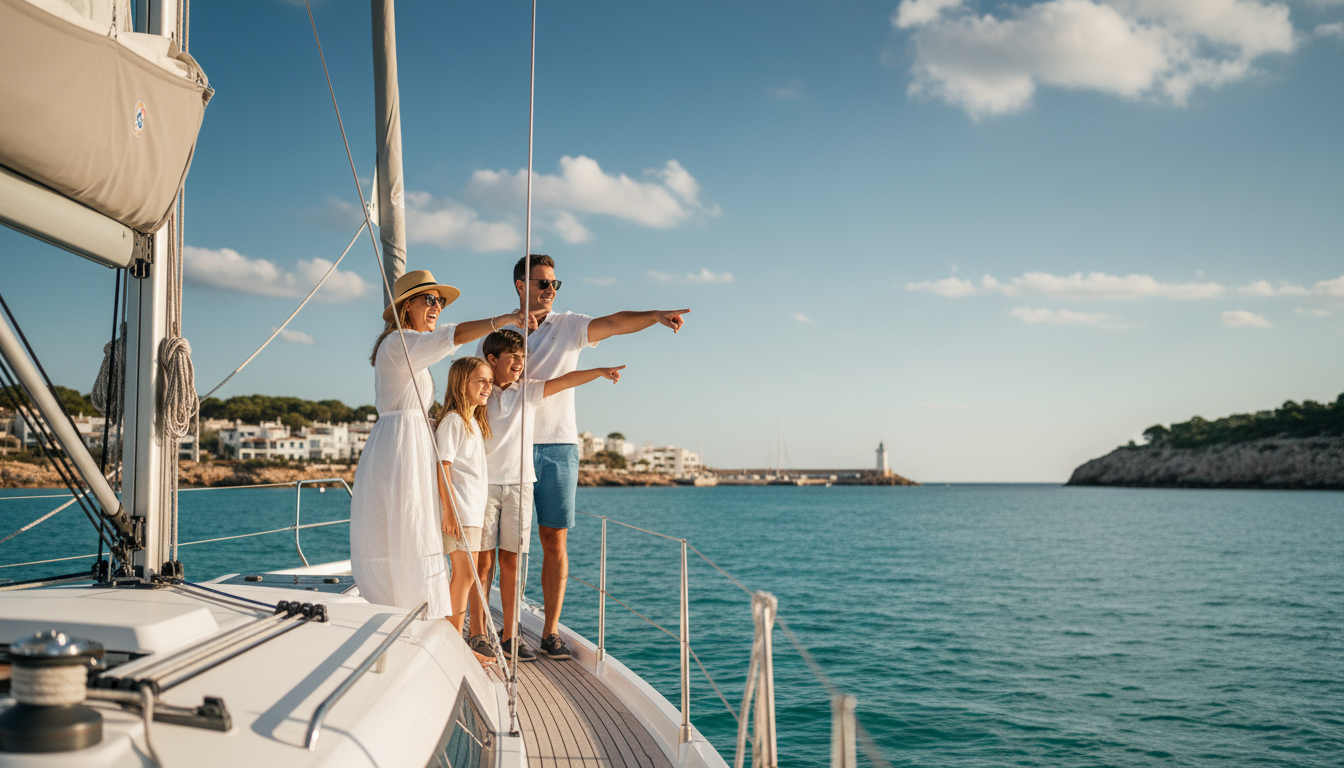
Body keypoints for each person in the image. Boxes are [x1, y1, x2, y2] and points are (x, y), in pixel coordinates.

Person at [476, 254, 687, 660]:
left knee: (554, 540)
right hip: (506, 449)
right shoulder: (499, 332)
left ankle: (549, 633)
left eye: (555, 284)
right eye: (542, 284)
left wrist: (656, 315)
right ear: (521, 285)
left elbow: (613, 322)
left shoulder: (569, 325)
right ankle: (499, 631)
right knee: (501, 549)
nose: (550, 291)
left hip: (557, 447)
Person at [349, 269, 528, 624]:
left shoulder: (409, 347)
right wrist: (503, 320)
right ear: (406, 306)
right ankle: (418, 617)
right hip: (401, 448)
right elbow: (458, 335)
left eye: (440, 301)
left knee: (413, 529)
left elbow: (411, 406)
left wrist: (440, 423)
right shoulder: (400, 342)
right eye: (429, 299)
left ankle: (419, 616)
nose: (437, 307)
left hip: (407, 439)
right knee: (409, 527)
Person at [470, 329, 625, 663]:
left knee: (511, 561)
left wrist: (598, 372)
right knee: (482, 562)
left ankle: (511, 635)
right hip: (484, 486)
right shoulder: (479, 394)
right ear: (492, 360)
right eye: (513, 358)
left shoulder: (528, 392)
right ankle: (478, 632)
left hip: (520, 485)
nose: (520, 364)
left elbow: (566, 380)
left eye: (523, 358)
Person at [434, 357, 493, 642]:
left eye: (490, 381)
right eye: (481, 380)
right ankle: (454, 639)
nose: (488, 386)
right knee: (464, 575)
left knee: (468, 577)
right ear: (462, 383)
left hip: (472, 514)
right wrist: (449, 511)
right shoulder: (455, 421)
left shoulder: (473, 422)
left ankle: (454, 637)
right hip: (460, 514)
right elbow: (442, 465)